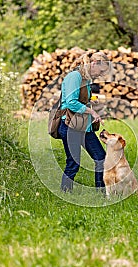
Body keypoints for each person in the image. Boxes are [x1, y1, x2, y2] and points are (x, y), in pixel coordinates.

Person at [58, 52, 112, 192]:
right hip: (70, 126)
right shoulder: (74, 76)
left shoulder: (86, 80)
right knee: (73, 163)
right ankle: (65, 193)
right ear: (93, 64)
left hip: (84, 126)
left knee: (101, 158)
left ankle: (101, 194)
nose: (100, 75)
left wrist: (93, 103)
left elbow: (82, 99)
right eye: (100, 71)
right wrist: (91, 112)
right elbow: (71, 102)